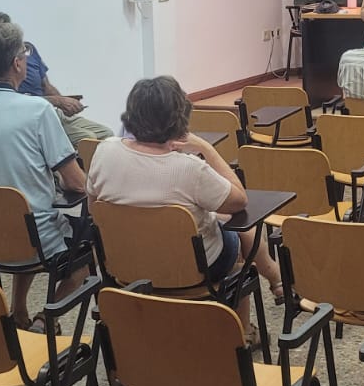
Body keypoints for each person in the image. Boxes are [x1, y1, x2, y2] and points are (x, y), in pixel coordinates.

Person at [0, 21, 90, 328]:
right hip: (32, 241)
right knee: (84, 260)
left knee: (21, 212)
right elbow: (76, 182)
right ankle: (45, 319)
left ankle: (18, 311)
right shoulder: (37, 110)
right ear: (18, 64)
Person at [87, 77, 282, 309]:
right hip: (195, 269)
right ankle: (250, 321)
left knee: (213, 218)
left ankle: (274, 282)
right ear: (178, 118)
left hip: (126, 263)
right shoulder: (190, 168)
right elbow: (239, 200)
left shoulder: (105, 150)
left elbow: (94, 209)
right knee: (235, 226)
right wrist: (205, 147)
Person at [0, 12, 112, 146]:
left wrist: (66, 104)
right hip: (35, 116)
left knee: (107, 134)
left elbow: (47, 86)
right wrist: (57, 101)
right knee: (87, 139)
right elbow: (14, 103)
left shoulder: (29, 50)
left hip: (53, 110)